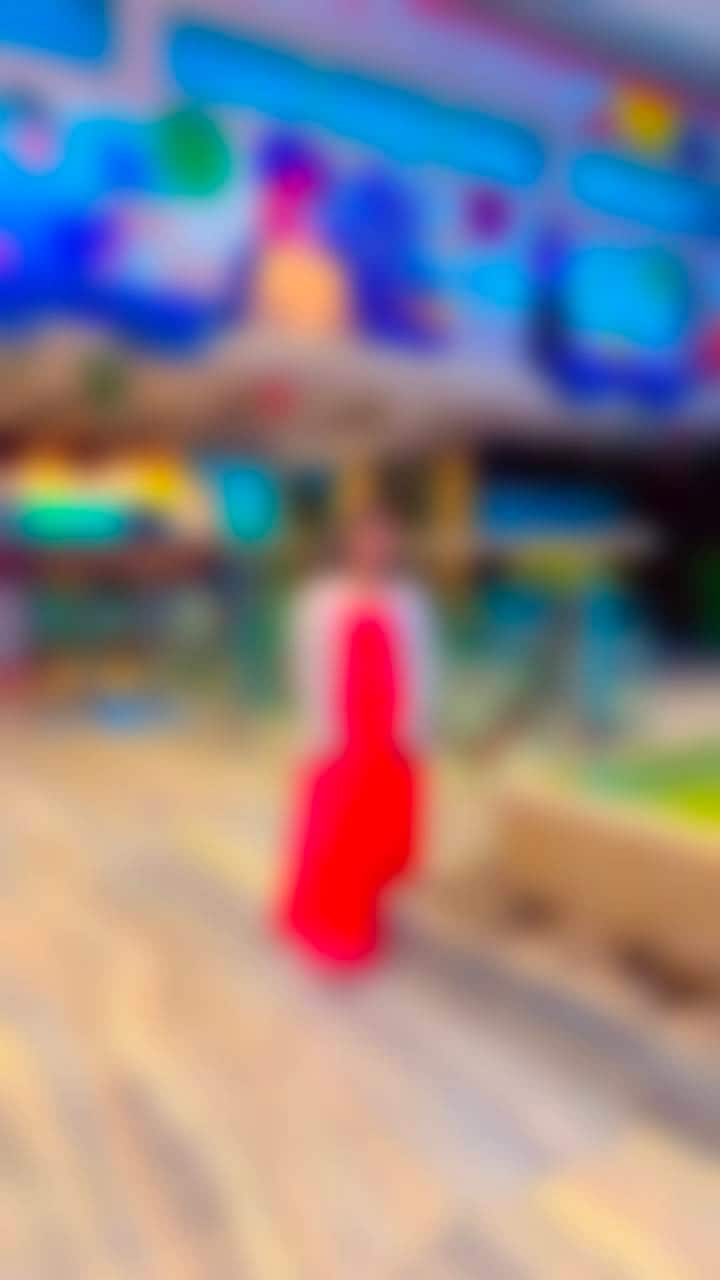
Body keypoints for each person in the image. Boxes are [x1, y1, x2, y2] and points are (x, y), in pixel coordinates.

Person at [277, 508, 435, 969]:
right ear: (349, 545)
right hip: (341, 730)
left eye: (384, 541)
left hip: (389, 730)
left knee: (378, 829)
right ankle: (329, 921)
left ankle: (371, 911)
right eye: (367, 540)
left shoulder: (409, 601)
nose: (375, 550)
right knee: (334, 824)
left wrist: (418, 726)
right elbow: (305, 666)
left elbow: (423, 666)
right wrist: (315, 727)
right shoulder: (319, 601)